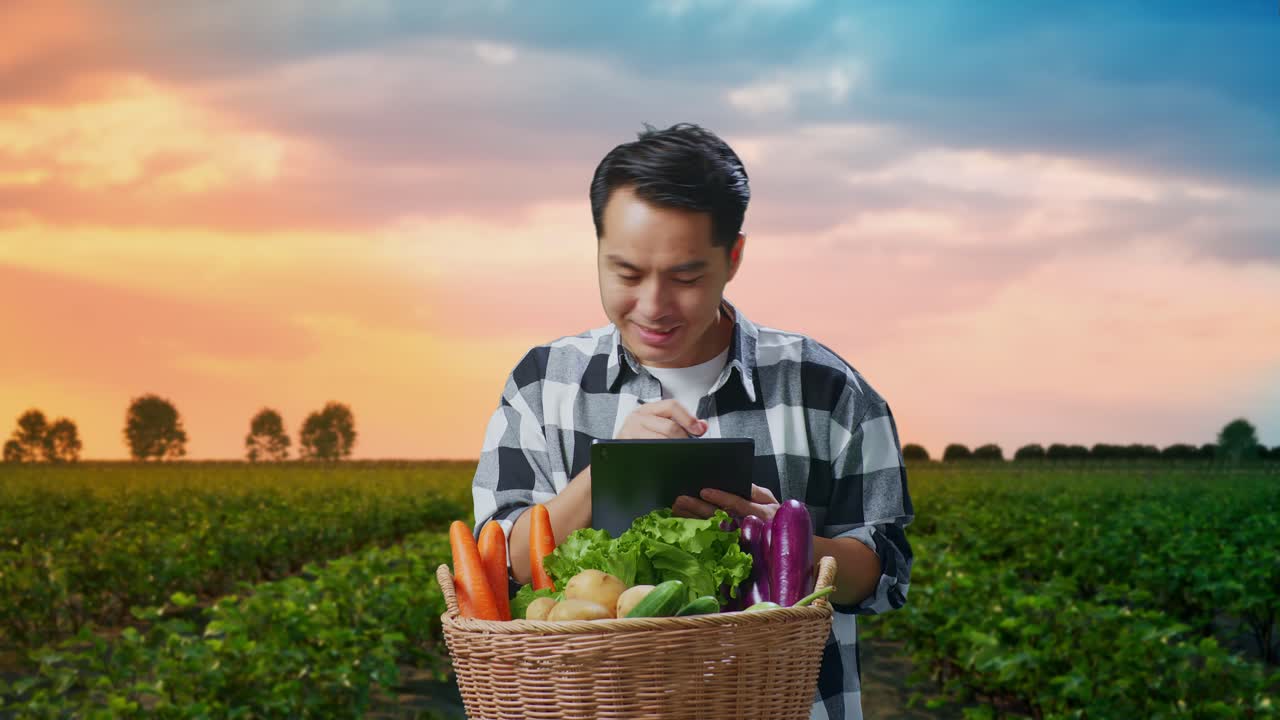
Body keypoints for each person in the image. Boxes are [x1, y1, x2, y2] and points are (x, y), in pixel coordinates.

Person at [471, 122, 913, 720]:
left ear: (733, 258)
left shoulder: (828, 387)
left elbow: (885, 573)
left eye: (685, 277)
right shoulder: (541, 383)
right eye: (625, 274)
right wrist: (604, 477)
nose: (653, 306)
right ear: (597, 249)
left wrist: (784, 542)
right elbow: (498, 572)